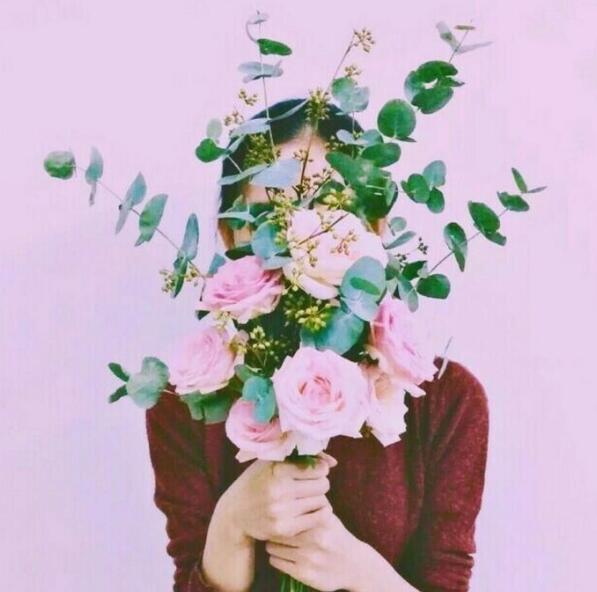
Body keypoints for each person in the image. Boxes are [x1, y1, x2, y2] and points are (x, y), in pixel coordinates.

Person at [145, 98, 490, 592]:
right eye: (270, 216)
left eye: (329, 213)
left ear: (374, 230)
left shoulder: (446, 400)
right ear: (230, 234)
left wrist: (361, 572)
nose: (299, 240)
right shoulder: (185, 402)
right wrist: (232, 524)